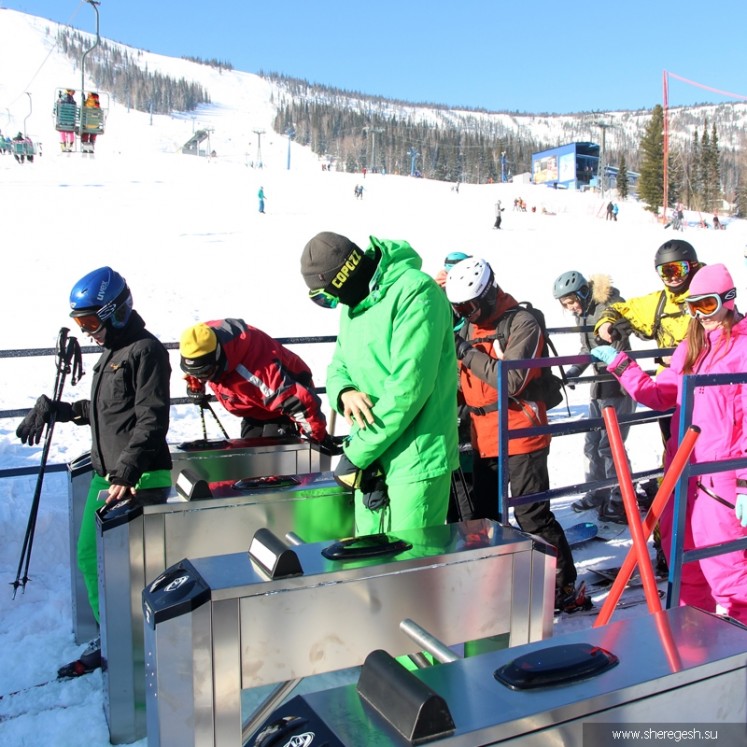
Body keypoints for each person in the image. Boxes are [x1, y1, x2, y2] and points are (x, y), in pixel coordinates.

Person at [16, 267, 172, 677]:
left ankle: (140, 647)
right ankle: (116, 635)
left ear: (116, 311)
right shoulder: (110, 355)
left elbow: (151, 420)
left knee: (137, 570)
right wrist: (59, 409)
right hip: (111, 478)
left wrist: (127, 472)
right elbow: (104, 413)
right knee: (90, 557)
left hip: (140, 478)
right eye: (79, 323)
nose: (87, 332)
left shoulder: (145, 351)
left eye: (90, 322)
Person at [591, 263, 747, 624]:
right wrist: (622, 365)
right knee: (683, 566)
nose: (699, 315)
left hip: (720, 480)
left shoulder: (742, 350)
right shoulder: (692, 346)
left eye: (706, 306)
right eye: (693, 306)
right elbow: (662, 395)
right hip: (682, 475)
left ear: (728, 300)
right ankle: (695, 649)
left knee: (729, 573)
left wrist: (743, 481)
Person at [445, 257, 585, 612]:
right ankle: (496, 583)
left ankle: (562, 584)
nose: (466, 314)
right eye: (458, 307)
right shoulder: (469, 327)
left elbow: (512, 379)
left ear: (489, 293)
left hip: (521, 430)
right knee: (485, 516)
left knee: (530, 514)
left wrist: (464, 351)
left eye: (470, 306)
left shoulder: (522, 322)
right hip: (481, 432)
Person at [300, 231, 459, 536]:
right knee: (370, 566)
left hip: (416, 458)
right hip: (372, 458)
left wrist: (356, 454)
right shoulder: (353, 305)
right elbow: (337, 367)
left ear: (343, 278)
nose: (332, 305)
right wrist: (344, 394)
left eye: (326, 297)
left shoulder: (416, 292)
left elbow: (408, 388)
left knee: (409, 568)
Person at [552, 270, 636, 523]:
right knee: (591, 444)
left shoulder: (608, 306)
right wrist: (574, 371)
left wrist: (607, 349)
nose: (571, 308)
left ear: (583, 292)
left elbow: (617, 344)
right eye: (565, 306)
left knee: (610, 446)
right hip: (598, 387)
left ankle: (622, 497)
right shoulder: (585, 314)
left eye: (572, 302)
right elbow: (587, 348)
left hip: (617, 385)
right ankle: (598, 491)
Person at [178, 318, 338, 448]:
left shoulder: (256, 371)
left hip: (282, 408)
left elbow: (299, 402)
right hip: (251, 408)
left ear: (218, 358)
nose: (201, 378)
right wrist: (195, 386)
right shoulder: (200, 338)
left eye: (205, 373)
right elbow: (194, 368)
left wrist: (319, 439)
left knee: (275, 470)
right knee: (249, 463)